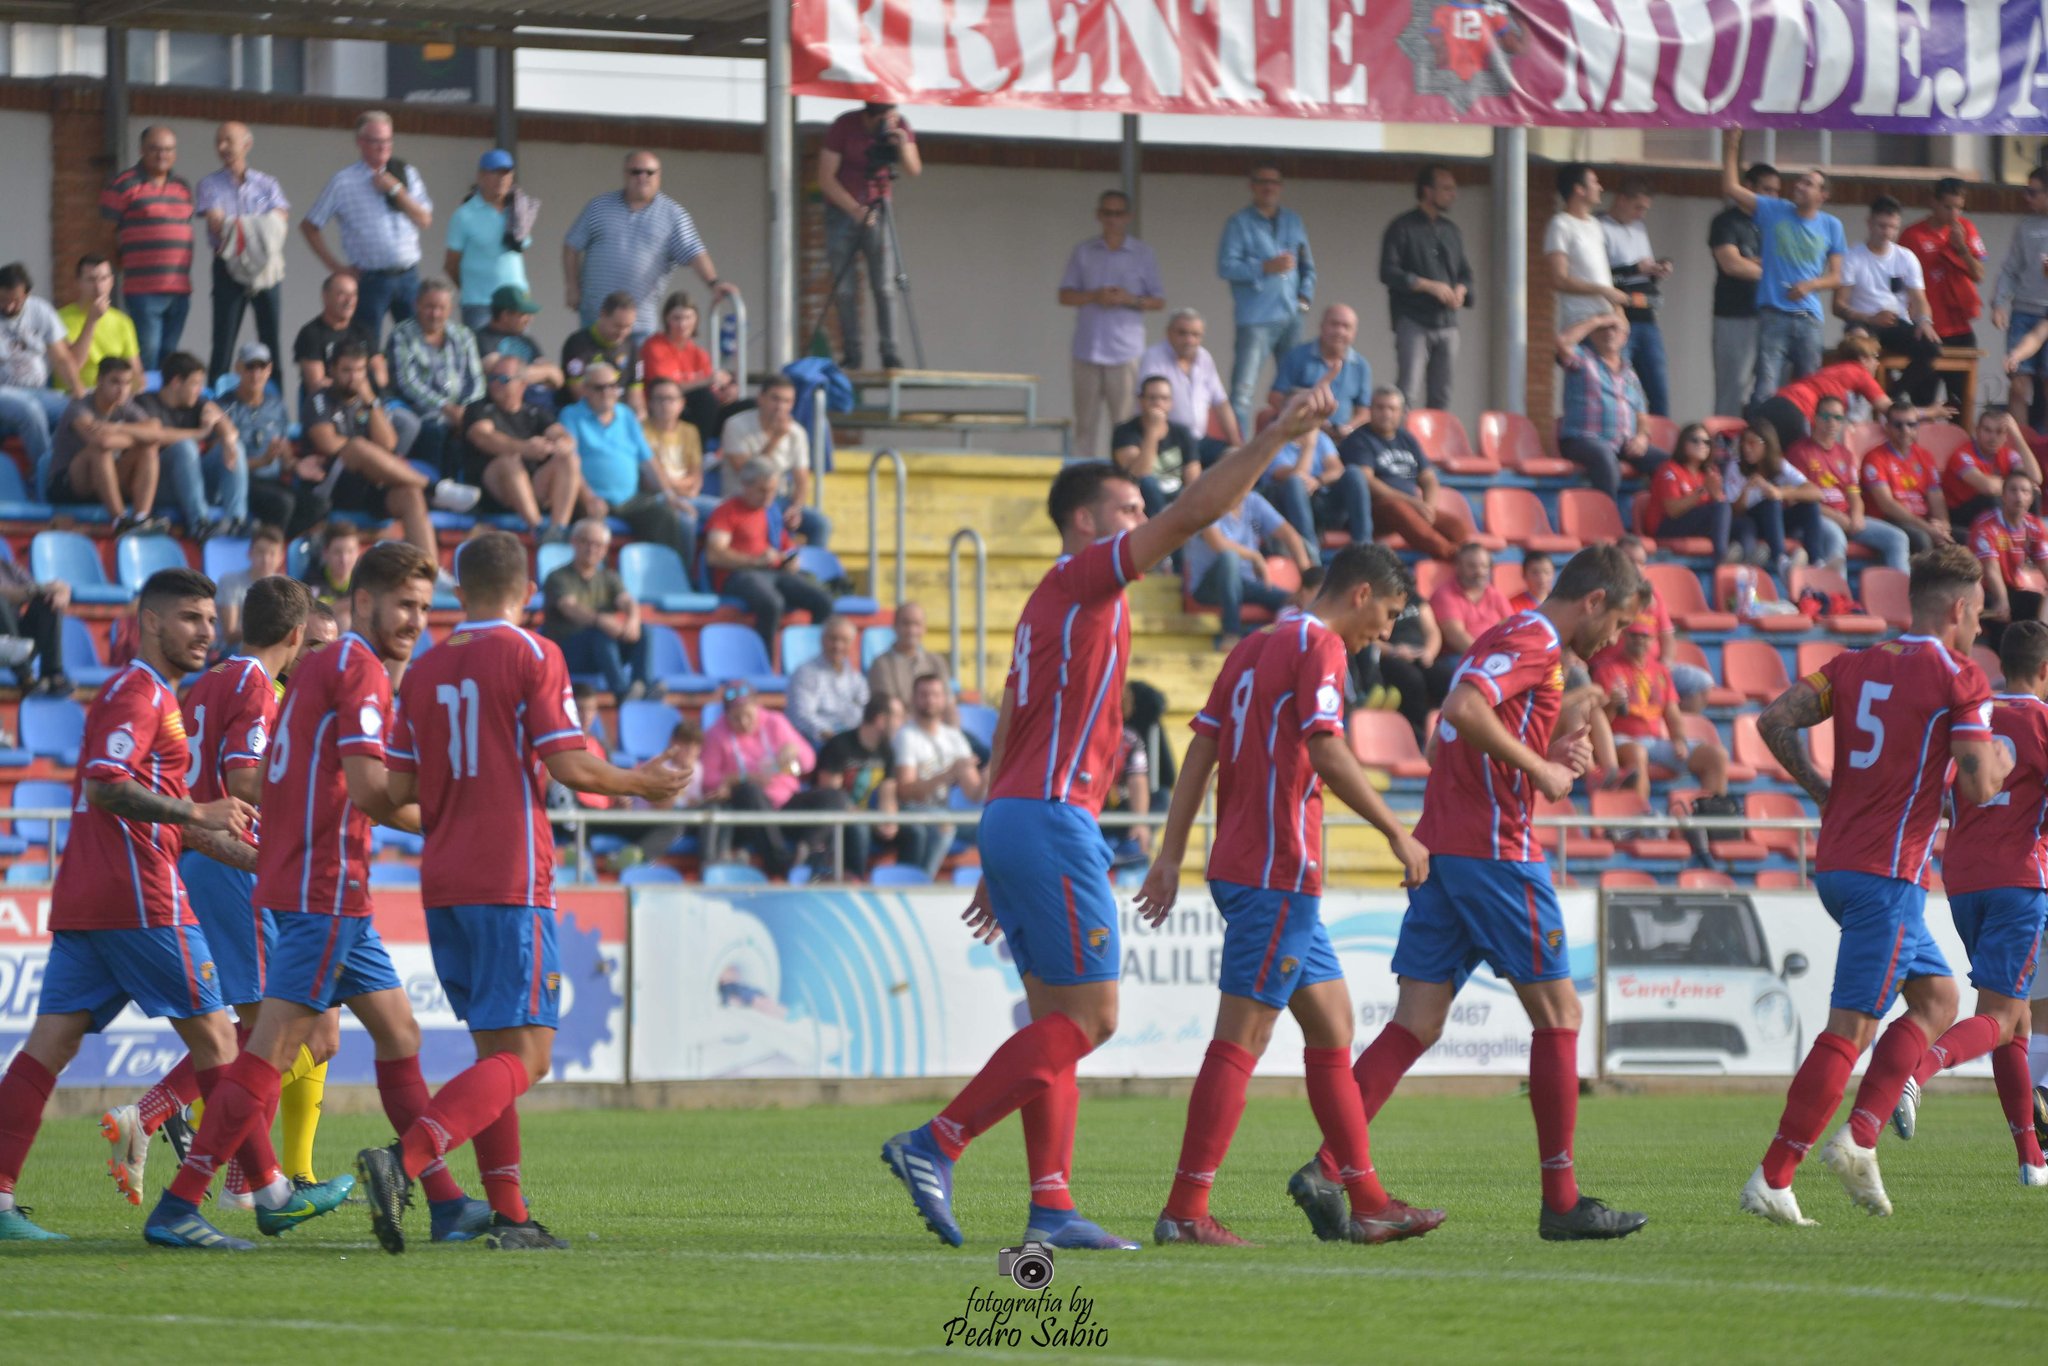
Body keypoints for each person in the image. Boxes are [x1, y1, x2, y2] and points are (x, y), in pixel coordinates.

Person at [880, 381, 1340, 1252]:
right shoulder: (1088, 578)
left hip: (1021, 813)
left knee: (1055, 1017)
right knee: (1093, 1018)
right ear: (1088, 524)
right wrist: (1278, 433)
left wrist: (991, 842)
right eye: (1129, 507)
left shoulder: (1054, 602)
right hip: (1052, 818)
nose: (1145, 515)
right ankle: (934, 1142)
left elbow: (1014, 717)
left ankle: (1051, 1205)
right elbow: (1202, 510)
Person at [150, 543, 494, 1249]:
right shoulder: (357, 668)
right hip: (324, 887)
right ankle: (182, 1202)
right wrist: (456, 812)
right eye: (403, 604)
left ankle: (446, 1200)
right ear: (361, 601)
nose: (415, 619)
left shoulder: (321, 668)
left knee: (399, 1034)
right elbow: (369, 789)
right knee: (271, 1047)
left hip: (333, 887)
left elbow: (333, 783)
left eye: (425, 608)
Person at [1311, 545, 1648, 1242]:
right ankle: (1561, 1201)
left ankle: (1326, 1166)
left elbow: (1446, 737)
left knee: (1418, 1021)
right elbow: (1464, 710)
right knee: (1559, 1014)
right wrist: (1543, 774)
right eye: (1615, 624)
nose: (1613, 641)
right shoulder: (1538, 640)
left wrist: (1546, 755)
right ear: (1593, 601)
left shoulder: (1502, 634)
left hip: (1447, 845)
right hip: (1496, 853)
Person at [367, 530, 688, 1252]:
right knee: (532, 1059)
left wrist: (452, 820)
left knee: (495, 1058)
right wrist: (642, 781)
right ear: (529, 592)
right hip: (510, 877)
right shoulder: (533, 653)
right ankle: (403, 1160)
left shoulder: (420, 672)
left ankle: (511, 1216)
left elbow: (394, 793)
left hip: (444, 883)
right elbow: (569, 766)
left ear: (458, 593)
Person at [0, 568, 333, 1245]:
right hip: (141, 895)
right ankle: (265, 1190)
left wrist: (262, 859)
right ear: (150, 621)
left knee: (50, 1045)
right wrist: (195, 806)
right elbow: (105, 786)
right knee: (222, 1035)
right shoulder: (141, 691)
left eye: (211, 619)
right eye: (189, 618)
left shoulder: (157, 695)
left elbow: (173, 820)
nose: (205, 631)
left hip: (90, 894)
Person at [1140, 543, 1438, 1248]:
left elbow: (1202, 752)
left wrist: (1172, 853)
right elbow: (1328, 749)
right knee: (1243, 1036)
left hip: (1249, 868)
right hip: (1276, 872)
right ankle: (1186, 1209)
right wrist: (1399, 831)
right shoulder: (1321, 647)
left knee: (1333, 1025)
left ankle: (1365, 1200)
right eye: (1390, 615)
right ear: (1360, 594)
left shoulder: (1253, 646)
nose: (1388, 634)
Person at [1740, 544, 2005, 1226]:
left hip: (1840, 864)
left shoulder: (1853, 664)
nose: (1978, 630)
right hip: (1886, 875)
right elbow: (1978, 786)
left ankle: (1860, 1139)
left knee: (1938, 997)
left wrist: (1821, 790)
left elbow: (1773, 720)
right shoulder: (1960, 677)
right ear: (1958, 610)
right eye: (1977, 616)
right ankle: (1774, 1175)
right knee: (1852, 1026)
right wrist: (1997, 760)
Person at [101, 577, 341, 1209]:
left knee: (269, 1029)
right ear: (294, 635)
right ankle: (173, 1127)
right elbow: (246, 779)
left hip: (207, 859)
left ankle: (231, 1169)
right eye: (311, 641)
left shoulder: (204, 683)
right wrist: (317, 792)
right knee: (283, 1033)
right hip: (239, 864)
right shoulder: (258, 687)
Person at [1887, 619, 2048, 1177]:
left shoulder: (1973, 713)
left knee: (2017, 1019)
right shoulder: (2042, 721)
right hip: (2019, 878)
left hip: (1963, 878)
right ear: (2046, 670)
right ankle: (1915, 1073)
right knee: (2001, 1017)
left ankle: (2032, 1160)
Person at [300, 339, 474, 558]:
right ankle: (435, 488)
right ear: (332, 369)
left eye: (359, 370)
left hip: (370, 483)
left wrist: (371, 402)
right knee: (357, 446)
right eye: (346, 370)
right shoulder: (319, 399)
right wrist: (365, 452)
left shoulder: (368, 401)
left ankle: (431, 570)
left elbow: (389, 444)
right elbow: (327, 443)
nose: (353, 377)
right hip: (332, 484)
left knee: (410, 494)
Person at [1720, 130, 1846, 402]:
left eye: (1809, 184)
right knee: (1765, 387)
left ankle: (1802, 443)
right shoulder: (1773, 209)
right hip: (1773, 314)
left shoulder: (1832, 225)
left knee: (1809, 388)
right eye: (1800, 181)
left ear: (1823, 194)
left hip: (1809, 318)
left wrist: (1812, 284)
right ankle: (1762, 442)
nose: (1799, 186)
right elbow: (1731, 188)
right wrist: (1731, 146)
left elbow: (1837, 276)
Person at [564, 151, 733, 339]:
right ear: (625, 174)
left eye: (649, 172)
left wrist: (714, 283)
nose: (642, 177)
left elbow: (695, 253)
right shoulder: (598, 207)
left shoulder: (673, 215)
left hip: (640, 324)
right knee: (594, 369)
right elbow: (571, 246)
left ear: (659, 176)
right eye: (635, 172)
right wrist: (572, 287)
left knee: (639, 368)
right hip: (596, 318)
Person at [301, 111, 432, 345]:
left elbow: (424, 220)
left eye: (387, 140)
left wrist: (397, 191)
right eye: (375, 141)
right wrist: (336, 268)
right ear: (360, 142)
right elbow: (310, 226)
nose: (383, 146)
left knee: (416, 344)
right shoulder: (343, 182)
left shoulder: (407, 174)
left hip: (408, 274)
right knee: (365, 344)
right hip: (371, 278)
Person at [698, 680, 848, 880]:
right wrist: (743, 777)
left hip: (786, 802)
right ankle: (780, 861)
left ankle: (807, 849)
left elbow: (809, 762)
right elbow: (707, 780)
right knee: (748, 790)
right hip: (749, 811)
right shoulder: (716, 735)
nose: (743, 722)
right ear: (726, 716)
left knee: (835, 798)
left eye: (748, 716)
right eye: (736, 718)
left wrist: (794, 751)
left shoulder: (775, 722)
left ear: (757, 708)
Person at [1059, 189, 1165, 459]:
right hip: (1087, 349)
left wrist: (1128, 299)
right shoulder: (1083, 252)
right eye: (1107, 213)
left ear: (1128, 217)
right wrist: (1094, 295)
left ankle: (1122, 483)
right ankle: (1081, 480)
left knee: (1124, 425)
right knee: (1085, 425)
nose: (1112, 219)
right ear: (1098, 215)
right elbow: (1065, 295)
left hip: (1125, 350)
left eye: (1118, 213)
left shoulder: (1143, 254)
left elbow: (1158, 300)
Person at [559, 361, 694, 567]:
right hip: (591, 497)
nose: (607, 392)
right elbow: (570, 461)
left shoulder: (627, 415)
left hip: (630, 499)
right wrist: (588, 497)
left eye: (612, 386)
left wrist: (669, 495)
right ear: (585, 390)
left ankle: (668, 577)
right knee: (593, 528)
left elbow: (647, 460)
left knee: (666, 515)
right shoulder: (571, 415)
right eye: (599, 387)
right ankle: (598, 585)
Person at [818, 102, 921, 371]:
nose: (889, 122)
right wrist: (854, 209)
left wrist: (899, 142)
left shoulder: (900, 126)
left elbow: (914, 169)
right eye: (883, 118)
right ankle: (852, 354)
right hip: (842, 212)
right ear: (869, 117)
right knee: (845, 287)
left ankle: (890, 352)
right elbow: (825, 177)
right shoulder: (845, 125)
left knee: (884, 286)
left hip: (879, 210)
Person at [1218, 162, 1316, 435]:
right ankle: (1239, 453)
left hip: (1291, 316)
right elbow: (1226, 266)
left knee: (1294, 389)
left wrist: (1305, 299)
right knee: (1243, 391)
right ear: (1252, 186)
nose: (1268, 187)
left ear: (1280, 187)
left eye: (1274, 182)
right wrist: (1264, 267)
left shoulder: (1293, 221)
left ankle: (1291, 449)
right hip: (1256, 318)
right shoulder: (1239, 223)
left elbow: (1307, 265)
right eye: (1262, 181)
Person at [1593, 615, 1729, 803]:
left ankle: (1712, 817)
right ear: (1625, 636)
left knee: (1716, 756)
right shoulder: (1607, 669)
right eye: (1634, 635)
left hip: (1655, 741)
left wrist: (1679, 739)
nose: (1639, 640)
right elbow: (1599, 721)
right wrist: (1612, 705)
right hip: (1620, 739)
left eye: (1645, 636)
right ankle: (1639, 820)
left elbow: (1672, 712)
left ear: (1654, 639)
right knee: (1637, 752)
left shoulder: (1660, 671)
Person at [701, 457, 834, 648]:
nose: (768, 496)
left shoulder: (770, 512)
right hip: (739, 575)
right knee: (771, 604)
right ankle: (765, 663)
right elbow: (714, 555)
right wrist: (755, 561)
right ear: (746, 486)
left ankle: (811, 655)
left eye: (772, 490)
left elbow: (786, 546)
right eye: (762, 490)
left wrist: (790, 559)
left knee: (824, 601)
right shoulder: (727, 511)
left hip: (772, 572)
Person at [197, 121, 289, 394]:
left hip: (266, 271)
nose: (222, 147)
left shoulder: (268, 184)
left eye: (229, 140)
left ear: (246, 145)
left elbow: (281, 223)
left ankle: (276, 406)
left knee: (271, 340)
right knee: (223, 342)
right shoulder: (209, 184)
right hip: (227, 267)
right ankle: (215, 406)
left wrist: (235, 224)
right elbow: (216, 225)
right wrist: (260, 225)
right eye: (218, 142)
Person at [1379, 164, 1472, 412]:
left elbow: (1465, 273)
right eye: (1446, 188)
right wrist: (1428, 286)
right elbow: (1388, 272)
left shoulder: (1452, 231)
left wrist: (1461, 290)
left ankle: (1435, 448)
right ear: (1427, 191)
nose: (1453, 194)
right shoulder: (1402, 227)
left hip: (1448, 323)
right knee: (1407, 391)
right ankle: (1400, 445)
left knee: (1442, 395)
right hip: (1413, 320)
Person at [100, 125, 194, 369]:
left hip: (179, 289)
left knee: (169, 354)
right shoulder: (123, 184)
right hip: (143, 289)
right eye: (155, 149)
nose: (162, 155)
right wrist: (119, 265)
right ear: (142, 150)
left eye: (168, 149)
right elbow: (106, 233)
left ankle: (163, 405)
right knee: (147, 353)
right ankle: (144, 405)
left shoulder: (183, 187)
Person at [1339, 386, 1471, 560]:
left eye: (1392, 409)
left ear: (1401, 412)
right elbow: (1367, 480)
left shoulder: (1406, 438)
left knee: (1457, 527)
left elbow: (1428, 478)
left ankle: (1464, 561)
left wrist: (1428, 507)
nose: (1386, 413)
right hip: (1377, 509)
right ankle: (1453, 555)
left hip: (1411, 507)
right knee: (1398, 509)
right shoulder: (1359, 439)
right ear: (1370, 410)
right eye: (1380, 407)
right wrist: (1413, 503)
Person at [1834, 197, 1944, 405]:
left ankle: (1893, 396)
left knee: (1932, 347)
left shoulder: (1906, 257)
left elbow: (1919, 298)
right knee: (1858, 346)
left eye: (1893, 227)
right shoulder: (1853, 256)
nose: (1887, 232)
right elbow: (1838, 305)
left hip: (1895, 322)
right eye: (1882, 226)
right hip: (1863, 320)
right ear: (1869, 224)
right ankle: (1855, 405)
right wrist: (1870, 318)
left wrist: (1924, 321)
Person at [1786, 397, 1912, 574]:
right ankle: (1840, 598)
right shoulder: (1798, 452)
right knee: (1836, 536)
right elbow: (1796, 499)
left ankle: (1901, 595)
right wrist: (1838, 518)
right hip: (1815, 518)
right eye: (1826, 416)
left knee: (1898, 538)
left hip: (1847, 517)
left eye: (1837, 418)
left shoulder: (1844, 454)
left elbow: (1854, 493)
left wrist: (1857, 515)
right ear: (1815, 418)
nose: (1831, 422)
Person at [462, 353, 580, 539]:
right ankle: (538, 529)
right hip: (494, 490)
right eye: (492, 378)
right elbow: (482, 437)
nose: (495, 383)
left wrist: (562, 444)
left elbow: (559, 433)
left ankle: (558, 530)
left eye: (503, 379)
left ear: (522, 384)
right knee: (509, 462)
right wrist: (524, 448)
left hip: (533, 488)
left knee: (569, 459)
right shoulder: (479, 407)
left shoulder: (535, 411)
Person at [136, 350, 247, 540]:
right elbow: (156, 435)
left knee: (235, 447)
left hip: (194, 483)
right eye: (195, 384)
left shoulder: (197, 402)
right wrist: (199, 434)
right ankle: (200, 524)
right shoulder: (145, 403)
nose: (199, 390)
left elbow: (225, 422)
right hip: (159, 485)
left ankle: (236, 520)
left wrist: (228, 439)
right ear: (177, 382)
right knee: (184, 447)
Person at [539, 517, 651, 700]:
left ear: (605, 550)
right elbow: (569, 607)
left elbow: (626, 601)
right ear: (573, 542)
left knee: (644, 632)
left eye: (598, 544)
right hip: (567, 653)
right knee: (601, 634)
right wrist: (601, 621)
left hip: (602, 652)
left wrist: (634, 619)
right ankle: (623, 693)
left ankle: (643, 686)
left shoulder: (609, 577)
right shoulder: (558, 577)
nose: (591, 549)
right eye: (585, 542)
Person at [1555, 313, 1662, 501]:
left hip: (1622, 443)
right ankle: (1606, 523)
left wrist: (1642, 438)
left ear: (1625, 337)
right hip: (1582, 439)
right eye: (1603, 329)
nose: (1609, 333)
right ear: (1593, 334)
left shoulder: (1630, 374)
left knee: (1666, 464)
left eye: (1615, 329)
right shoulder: (1583, 360)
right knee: (1606, 459)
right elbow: (1562, 342)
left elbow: (1642, 416)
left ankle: (1658, 522)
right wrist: (1597, 320)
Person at [48, 357, 163, 530]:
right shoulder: (79, 407)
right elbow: (101, 441)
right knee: (100, 450)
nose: (122, 389)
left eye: (127, 383)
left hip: (105, 482)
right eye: (115, 382)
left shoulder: (126, 406)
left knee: (148, 449)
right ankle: (120, 522)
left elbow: (155, 431)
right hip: (68, 484)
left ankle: (141, 519)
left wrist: (115, 428)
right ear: (99, 381)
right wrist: (136, 436)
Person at [1184, 488, 1309, 645]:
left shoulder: (1253, 500)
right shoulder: (1210, 503)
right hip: (1207, 587)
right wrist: (1255, 556)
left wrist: (1308, 581)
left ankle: (1289, 641)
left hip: (1243, 584)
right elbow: (1218, 544)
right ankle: (1231, 632)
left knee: (1293, 600)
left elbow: (1290, 535)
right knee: (1229, 558)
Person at [386, 278, 485, 478]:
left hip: (462, 410)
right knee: (437, 430)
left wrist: (464, 411)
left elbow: (476, 381)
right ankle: (434, 489)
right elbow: (407, 382)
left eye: (441, 308)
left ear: (450, 309)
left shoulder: (464, 335)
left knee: (484, 429)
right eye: (429, 307)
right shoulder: (401, 334)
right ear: (416, 305)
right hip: (419, 409)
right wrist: (445, 407)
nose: (435, 314)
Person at [717, 375, 829, 546]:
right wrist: (776, 438)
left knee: (820, 524)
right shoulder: (735, 425)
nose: (780, 407)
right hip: (742, 499)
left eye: (787, 401)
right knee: (772, 517)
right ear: (760, 398)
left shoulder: (797, 433)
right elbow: (746, 473)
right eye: (775, 399)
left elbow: (802, 481)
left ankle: (811, 570)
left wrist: (796, 508)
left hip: (779, 499)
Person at [894, 672, 984, 878]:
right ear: (913, 699)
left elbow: (974, 793)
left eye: (935, 694)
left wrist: (993, 766)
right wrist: (949, 774)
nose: (930, 700)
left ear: (944, 699)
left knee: (991, 826)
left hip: (942, 811)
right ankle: (922, 884)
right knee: (945, 826)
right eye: (923, 694)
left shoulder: (954, 737)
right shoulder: (907, 736)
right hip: (912, 810)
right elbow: (906, 792)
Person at [219, 342, 314, 535]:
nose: (256, 374)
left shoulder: (277, 406)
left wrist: (295, 464)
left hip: (273, 481)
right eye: (249, 367)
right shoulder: (224, 407)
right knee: (283, 503)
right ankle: (269, 547)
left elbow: (285, 453)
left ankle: (270, 541)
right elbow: (223, 462)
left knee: (319, 505)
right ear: (238, 369)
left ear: (269, 370)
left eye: (261, 367)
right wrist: (263, 461)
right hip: (243, 482)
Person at [1598, 177, 1673, 416]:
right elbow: (1601, 277)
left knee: (1658, 388)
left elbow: (1642, 274)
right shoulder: (1599, 227)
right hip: (1619, 317)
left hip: (1646, 315)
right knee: (1621, 387)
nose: (1641, 214)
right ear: (1621, 200)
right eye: (1637, 207)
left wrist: (1657, 270)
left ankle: (1660, 442)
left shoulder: (1638, 228)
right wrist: (1634, 269)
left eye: (1645, 209)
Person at [0, 263, 81, 481]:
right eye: (3, 300)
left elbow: (62, 358)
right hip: (4, 394)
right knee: (30, 410)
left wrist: (79, 393)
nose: (8, 307)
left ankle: (57, 472)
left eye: (15, 301)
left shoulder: (40, 310)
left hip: (38, 391)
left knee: (75, 411)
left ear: (27, 294)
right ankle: (49, 477)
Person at [1709, 161, 1778, 418]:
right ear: (1747, 188)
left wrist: (1755, 264)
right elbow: (1731, 264)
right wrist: (1771, 271)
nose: (1773, 196)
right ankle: (1723, 452)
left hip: (1771, 317)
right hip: (1734, 315)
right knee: (1732, 389)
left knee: (1770, 391)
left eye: (1776, 191)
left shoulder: (1774, 224)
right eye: (1767, 189)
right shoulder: (1726, 222)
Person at [1900, 178, 1988, 376]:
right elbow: (1901, 283)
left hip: (1959, 326)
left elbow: (1979, 274)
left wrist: (1962, 248)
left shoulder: (1966, 229)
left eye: (1959, 208)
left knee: (1960, 396)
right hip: (1927, 326)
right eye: (1948, 207)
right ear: (1933, 202)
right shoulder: (1912, 235)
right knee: (1924, 397)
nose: (1954, 214)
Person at [1753, 331, 1897, 452]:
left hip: (1773, 403)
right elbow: (1891, 410)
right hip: (1796, 412)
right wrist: (1918, 414)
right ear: (1864, 358)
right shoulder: (1859, 372)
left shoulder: (1831, 370)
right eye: (1875, 357)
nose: (1877, 363)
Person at [815, 696, 909, 877]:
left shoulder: (887, 751)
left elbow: (887, 795)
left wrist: (889, 821)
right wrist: (870, 819)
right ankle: (855, 883)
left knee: (915, 831)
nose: (901, 723)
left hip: (867, 817)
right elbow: (831, 796)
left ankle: (906, 884)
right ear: (881, 720)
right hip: (839, 820)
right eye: (897, 717)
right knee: (860, 828)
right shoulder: (839, 745)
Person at [1726, 420, 1830, 575]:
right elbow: (1733, 511)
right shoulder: (1735, 467)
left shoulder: (1780, 465)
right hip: (1750, 522)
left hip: (1775, 521)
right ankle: (1781, 560)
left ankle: (1817, 561)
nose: (1746, 448)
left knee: (1810, 507)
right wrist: (1747, 490)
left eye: (1753, 443)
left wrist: (1780, 492)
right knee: (1771, 503)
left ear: (1766, 444)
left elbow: (1816, 493)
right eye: (1743, 443)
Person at [442, 149, 529, 331]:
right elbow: (451, 264)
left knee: (517, 356)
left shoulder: (519, 212)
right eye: (494, 173)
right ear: (481, 176)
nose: (501, 179)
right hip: (480, 304)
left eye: (505, 173)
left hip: (516, 303)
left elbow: (517, 255)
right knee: (481, 357)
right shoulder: (464, 215)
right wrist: (472, 287)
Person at [1138, 307, 1239, 462]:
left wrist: (1236, 444)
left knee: (1234, 460)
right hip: (1168, 443)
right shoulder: (1154, 357)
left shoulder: (1204, 357)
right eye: (1182, 333)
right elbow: (1151, 403)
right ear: (1168, 333)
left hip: (1199, 440)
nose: (1189, 340)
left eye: (1195, 335)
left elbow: (1221, 403)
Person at [293, 270, 396, 409]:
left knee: (406, 423)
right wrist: (356, 386)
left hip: (368, 403)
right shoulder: (311, 334)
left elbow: (380, 373)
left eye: (353, 294)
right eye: (342, 295)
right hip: (330, 408)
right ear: (325, 297)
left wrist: (368, 391)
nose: (349, 301)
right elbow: (316, 384)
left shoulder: (364, 331)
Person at [1259, 424, 1370, 550]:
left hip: (1324, 504)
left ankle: (1364, 546)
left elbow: (1337, 469)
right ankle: (1310, 552)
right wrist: (1308, 446)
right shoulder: (1274, 442)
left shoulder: (1322, 438)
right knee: (1295, 483)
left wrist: (1318, 480)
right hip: (1292, 510)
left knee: (1353, 472)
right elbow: (1297, 475)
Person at [1993, 168, 2048, 421]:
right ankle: (2019, 450)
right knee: (2018, 385)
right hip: (2024, 310)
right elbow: (2010, 269)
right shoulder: (2025, 227)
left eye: (2033, 192)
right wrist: (1999, 302)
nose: (2027, 197)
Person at [1269, 304, 1371, 439]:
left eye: (1346, 327)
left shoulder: (1361, 366)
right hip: (1300, 434)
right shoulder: (1297, 356)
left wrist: (1348, 428)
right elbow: (1275, 397)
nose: (1339, 331)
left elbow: (1364, 411)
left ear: (1354, 333)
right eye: (1334, 324)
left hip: (1341, 439)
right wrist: (1307, 419)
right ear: (1322, 326)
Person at [1862, 406, 1952, 555]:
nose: (1905, 430)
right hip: (1890, 520)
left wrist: (1944, 526)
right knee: (1921, 538)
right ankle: (1920, 579)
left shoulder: (1925, 456)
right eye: (1898, 425)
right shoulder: (1874, 458)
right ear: (1887, 427)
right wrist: (1928, 528)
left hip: (1923, 521)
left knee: (1962, 538)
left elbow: (1936, 496)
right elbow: (1887, 505)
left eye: (1911, 424)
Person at [1545, 162, 1622, 330]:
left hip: (1607, 319)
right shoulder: (1561, 224)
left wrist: (1619, 311)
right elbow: (1559, 279)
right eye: (1594, 182)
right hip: (1579, 320)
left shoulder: (1594, 224)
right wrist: (1603, 290)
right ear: (1579, 189)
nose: (1600, 187)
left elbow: (1602, 273)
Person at [1110, 374, 1200, 517]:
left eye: (1164, 398)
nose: (1158, 403)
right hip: (1143, 504)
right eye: (1152, 398)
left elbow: (1193, 480)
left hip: (1177, 500)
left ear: (1171, 403)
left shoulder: (1182, 433)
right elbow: (1138, 475)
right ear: (1141, 401)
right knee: (1148, 483)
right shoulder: (1125, 432)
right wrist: (1152, 430)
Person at [1970, 472, 2048, 634]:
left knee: (2037, 603)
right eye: (2013, 490)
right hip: (1983, 592)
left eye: (2025, 491)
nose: (2019, 496)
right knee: (2002, 617)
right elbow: (1991, 569)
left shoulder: (2034, 526)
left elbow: (2045, 564)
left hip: (2012, 590)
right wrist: (2002, 600)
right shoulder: (1986, 525)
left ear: (2031, 499)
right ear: (2003, 496)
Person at [1940, 406, 2038, 533]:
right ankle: (2002, 541)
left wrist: (2017, 436)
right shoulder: (1962, 455)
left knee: (2033, 492)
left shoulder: (2007, 454)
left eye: (1999, 432)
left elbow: (2035, 478)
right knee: (1996, 497)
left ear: (2006, 435)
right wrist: (2019, 485)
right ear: (1977, 431)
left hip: (1989, 507)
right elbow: (1988, 487)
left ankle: (2033, 538)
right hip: (1959, 514)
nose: (1993, 437)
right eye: (1987, 430)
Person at [1643, 423, 1732, 562]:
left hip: (1694, 523)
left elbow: (1719, 504)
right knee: (1720, 509)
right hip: (1666, 526)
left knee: (1743, 523)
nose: (1702, 445)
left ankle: (1747, 559)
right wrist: (1702, 491)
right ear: (1683, 443)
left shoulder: (1709, 472)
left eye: (1707, 442)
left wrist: (1715, 494)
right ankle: (1722, 560)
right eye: (1695, 440)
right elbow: (1672, 511)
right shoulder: (1669, 469)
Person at [56, 254, 140, 392]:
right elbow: (72, 366)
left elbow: (136, 373)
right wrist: (91, 321)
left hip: (114, 396)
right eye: (91, 280)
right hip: (76, 396)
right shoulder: (59, 319)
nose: (98, 286)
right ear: (78, 283)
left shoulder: (123, 322)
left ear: (112, 281)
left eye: (103, 279)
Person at [787, 614, 869, 747]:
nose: (838, 646)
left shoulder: (856, 679)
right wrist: (828, 734)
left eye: (844, 640)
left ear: (851, 644)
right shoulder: (806, 673)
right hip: (817, 740)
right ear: (822, 640)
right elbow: (802, 717)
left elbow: (865, 711)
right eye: (833, 639)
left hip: (851, 739)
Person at [1430, 542, 1514, 662]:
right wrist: (1486, 657)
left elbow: (1511, 627)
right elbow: (1455, 636)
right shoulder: (1445, 595)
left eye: (1484, 566)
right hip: (1459, 656)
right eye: (1472, 566)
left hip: (1495, 656)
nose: (1479, 571)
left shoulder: (1495, 594)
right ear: (1458, 567)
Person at [473, 285, 563, 393]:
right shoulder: (482, 339)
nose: (530, 319)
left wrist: (546, 372)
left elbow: (557, 377)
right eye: (524, 314)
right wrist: (544, 372)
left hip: (536, 404)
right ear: (505, 315)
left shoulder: (527, 340)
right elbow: (505, 375)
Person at [561, 291, 640, 409]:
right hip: (585, 415)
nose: (622, 332)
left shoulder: (631, 347)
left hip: (621, 417)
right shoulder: (577, 344)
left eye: (628, 327)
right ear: (602, 315)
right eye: (617, 326)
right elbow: (577, 391)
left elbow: (636, 395)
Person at [216, 523, 287, 646]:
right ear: (249, 553)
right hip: (234, 650)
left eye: (272, 553)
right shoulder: (230, 582)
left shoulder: (286, 586)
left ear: (281, 558)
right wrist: (268, 628)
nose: (266, 559)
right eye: (260, 552)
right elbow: (229, 634)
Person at [867, 600, 948, 707]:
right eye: (906, 624)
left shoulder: (937, 661)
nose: (912, 630)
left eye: (917, 624)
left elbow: (946, 701)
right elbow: (887, 707)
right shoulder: (881, 664)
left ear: (924, 629)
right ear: (895, 627)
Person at [639, 291, 715, 389]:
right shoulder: (654, 346)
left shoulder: (699, 353)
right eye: (676, 318)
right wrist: (705, 382)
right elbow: (666, 389)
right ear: (666, 318)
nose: (682, 324)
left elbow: (711, 386)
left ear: (696, 319)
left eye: (688, 318)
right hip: (664, 402)